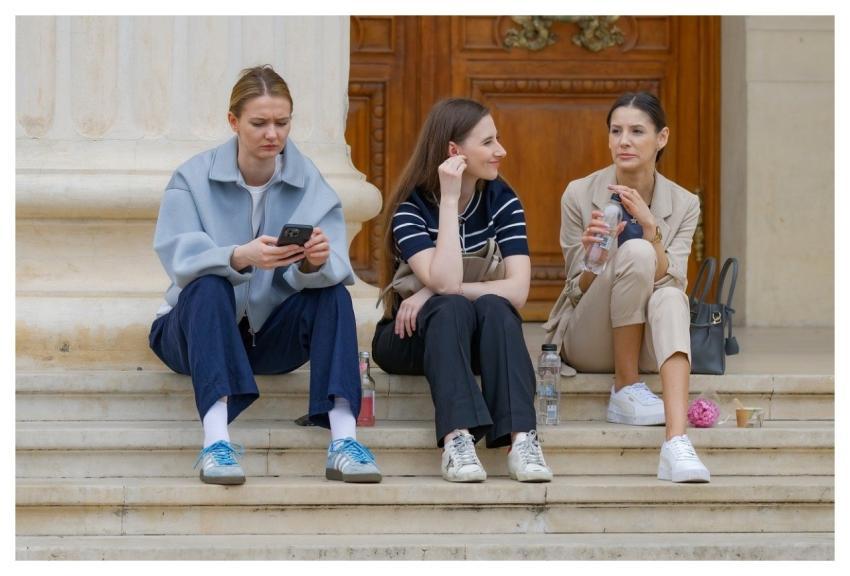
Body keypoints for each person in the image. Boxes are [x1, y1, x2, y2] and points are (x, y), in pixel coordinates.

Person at [149, 65, 382, 485]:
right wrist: (240, 256)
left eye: (282, 122)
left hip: (268, 340)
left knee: (334, 296)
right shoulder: (191, 178)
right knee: (208, 286)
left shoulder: (309, 182)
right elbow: (178, 259)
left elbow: (335, 266)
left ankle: (344, 441)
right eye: (259, 123)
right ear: (233, 122)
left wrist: (312, 262)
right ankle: (215, 443)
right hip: (189, 333)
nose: (272, 134)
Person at [371, 98, 553, 484]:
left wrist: (427, 293)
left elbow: (518, 290)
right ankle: (457, 440)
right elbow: (446, 281)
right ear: (454, 151)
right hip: (410, 336)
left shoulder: (503, 201)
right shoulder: (411, 207)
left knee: (496, 307)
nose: (501, 150)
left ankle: (522, 440)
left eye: (497, 139)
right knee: (450, 307)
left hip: (474, 337)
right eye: (488, 142)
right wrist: (450, 200)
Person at [543, 91, 710, 483]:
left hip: (649, 343)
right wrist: (594, 259)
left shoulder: (684, 204)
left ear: (661, 138)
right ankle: (625, 386)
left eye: (637, 131)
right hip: (589, 338)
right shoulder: (579, 193)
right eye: (616, 131)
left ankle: (676, 443)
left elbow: (674, 281)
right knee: (634, 253)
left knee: (670, 295)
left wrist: (652, 230)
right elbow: (574, 291)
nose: (624, 141)